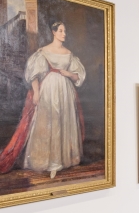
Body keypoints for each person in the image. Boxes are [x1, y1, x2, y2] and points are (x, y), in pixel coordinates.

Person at [0, 21, 87, 179]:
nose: (64, 34)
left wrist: (68, 74)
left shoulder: (69, 54)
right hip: (48, 89)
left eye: (65, 31)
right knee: (48, 121)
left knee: (63, 121)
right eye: (61, 30)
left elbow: (77, 76)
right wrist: (36, 92)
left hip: (66, 91)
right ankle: (46, 161)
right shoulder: (43, 52)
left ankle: (62, 159)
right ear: (54, 32)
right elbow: (35, 74)